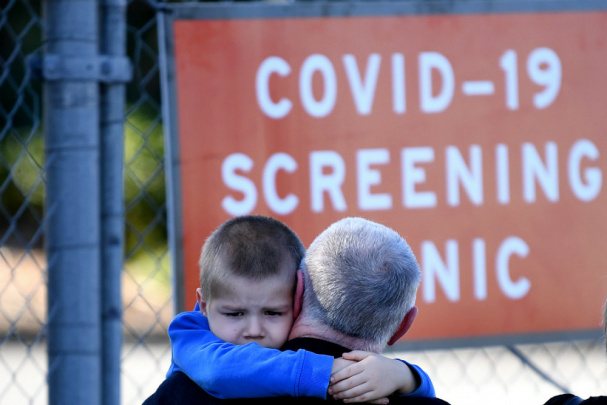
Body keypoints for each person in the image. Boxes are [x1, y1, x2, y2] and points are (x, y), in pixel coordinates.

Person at [144, 216, 449, 405]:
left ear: (297, 294)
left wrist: (406, 376)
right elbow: (217, 369)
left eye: (272, 313)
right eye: (235, 314)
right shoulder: (190, 331)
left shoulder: (179, 395)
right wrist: (326, 372)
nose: (254, 330)